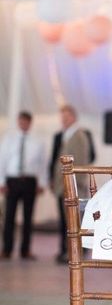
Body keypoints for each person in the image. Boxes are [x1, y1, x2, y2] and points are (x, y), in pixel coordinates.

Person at [0, 111, 46, 259]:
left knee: (28, 217)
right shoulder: (9, 139)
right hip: (12, 181)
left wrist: (42, 182)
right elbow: (2, 161)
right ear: (18, 122)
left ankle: (25, 250)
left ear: (30, 123)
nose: (24, 124)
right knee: (9, 216)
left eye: (26, 121)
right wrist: (1, 181)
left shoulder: (37, 141)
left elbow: (42, 164)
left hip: (29, 182)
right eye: (21, 121)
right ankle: (7, 249)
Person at [50, 105, 92, 263]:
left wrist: (77, 184)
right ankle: (70, 252)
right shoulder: (67, 135)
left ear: (74, 117)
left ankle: (75, 254)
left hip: (73, 186)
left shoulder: (79, 135)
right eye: (62, 117)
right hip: (64, 185)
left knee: (74, 221)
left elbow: (82, 160)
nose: (64, 120)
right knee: (68, 222)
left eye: (67, 117)